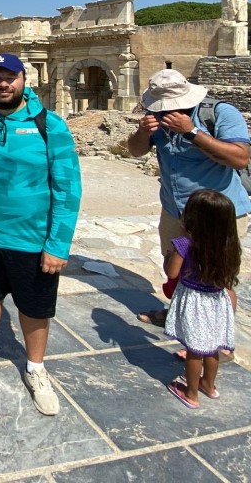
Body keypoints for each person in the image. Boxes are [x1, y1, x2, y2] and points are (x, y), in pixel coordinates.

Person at [0, 53, 81, 417]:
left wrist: (58, 244)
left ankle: (36, 368)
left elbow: (68, 188)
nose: (2, 84)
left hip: (32, 238)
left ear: (24, 78)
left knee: (35, 308)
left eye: (9, 77)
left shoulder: (50, 125)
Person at [128, 70, 250, 343]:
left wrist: (192, 132)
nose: (167, 111)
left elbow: (240, 158)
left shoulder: (221, 113)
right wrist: (142, 132)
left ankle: (218, 341)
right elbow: (135, 150)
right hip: (175, 209)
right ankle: (181, 317)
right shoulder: (156, 119)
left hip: (216, 213)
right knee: (177, 267)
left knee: (218, 277)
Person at [163, 189, 239, 409]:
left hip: (195, 302)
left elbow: (172, 273)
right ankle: (209, 384)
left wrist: (170, 254)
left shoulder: (184, 244)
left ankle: (191, 393)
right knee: (211, 347)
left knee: (195, 350)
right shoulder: (228, 246)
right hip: (217, 301)